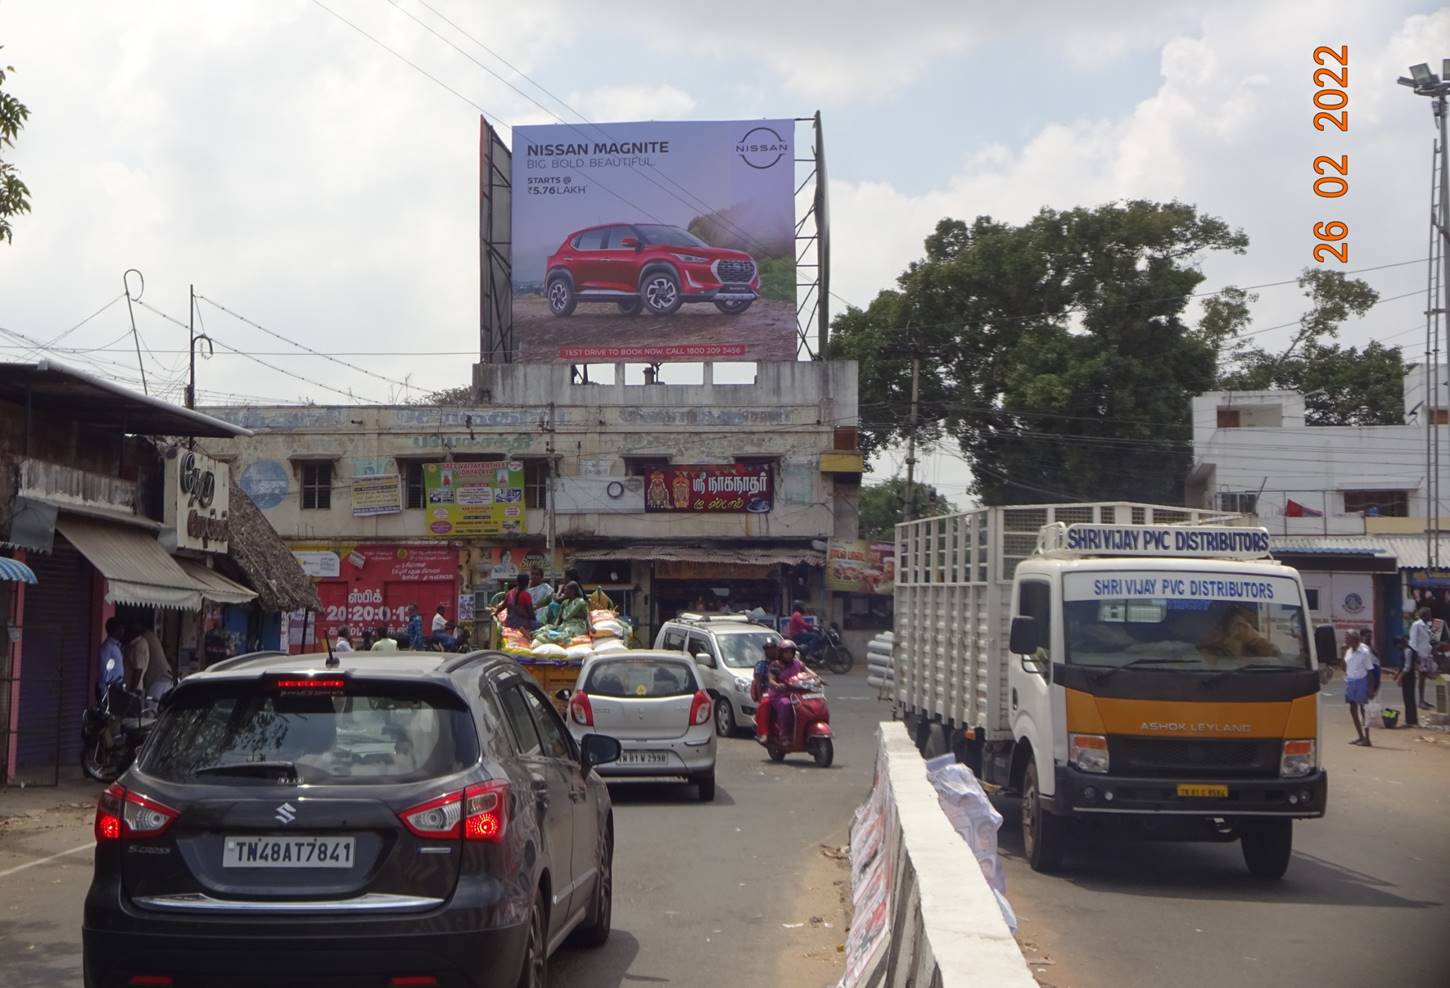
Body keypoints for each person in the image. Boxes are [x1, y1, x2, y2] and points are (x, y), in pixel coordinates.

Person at [767, 639, 807, 742]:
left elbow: (808, 672)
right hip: (780, 695)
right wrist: (777, 685)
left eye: (791, 652)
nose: (788, 655)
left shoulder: (798, 664)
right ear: (781, 653)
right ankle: (784, 734)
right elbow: (771, 679)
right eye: (786, 652)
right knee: (786, 705)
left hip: (797, 693)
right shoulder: (776, 665)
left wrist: (818, 679)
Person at [1343, 629, 1377, 747]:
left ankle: (1367, 738)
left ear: (1354, 639)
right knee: (1352, 709)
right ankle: (1360, 736)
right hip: (1350, 681)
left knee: (1363, 711)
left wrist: (1371, 688)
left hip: (1361, 681)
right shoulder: (1348, 651)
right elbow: (1345, 667)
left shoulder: (1364, 652)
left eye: (1347, 638)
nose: (1345, 640)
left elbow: (1370, 670)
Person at [125, 620, 175, 700]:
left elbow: (138, 669)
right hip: (165, 678)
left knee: (150, 709)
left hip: (157, 680)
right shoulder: (151, 636)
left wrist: (131, 692)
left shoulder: (140, 641)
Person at [1409, 606, 1435, 710]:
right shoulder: (1417, 625)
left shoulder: (1427, 626)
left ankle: (1422, 700)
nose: (1430, 616)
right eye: (1429, 614)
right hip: (1420, 655)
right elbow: (1413, 641)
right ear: (1424, 615)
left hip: (1427, 654)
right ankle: (1420, 701)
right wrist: (1416, 656)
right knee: (1421, 678)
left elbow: (1430, 639)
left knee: (1425, 677)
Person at [96, 617, 125, 700]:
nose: (123, 631)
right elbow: (103, 670)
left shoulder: (116, 646)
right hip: (109, 688)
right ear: (114, 630)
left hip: (116, 686)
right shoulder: (107, 648)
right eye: (121, 628)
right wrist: (104, 691)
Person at [1393, 635, 1418, 728]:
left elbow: (1407, 667)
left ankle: (1412, 720)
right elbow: (1401, 666)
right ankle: (1409, 720)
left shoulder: (1408, 651)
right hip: (1406, 677)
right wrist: (1397, 674)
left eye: (1397, 645)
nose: (1397, 647)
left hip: (1409, 678)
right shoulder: (1403, 651)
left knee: (1409, 698)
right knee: (1407, 698)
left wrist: (1400, 677)